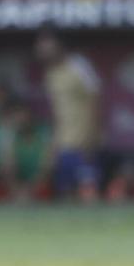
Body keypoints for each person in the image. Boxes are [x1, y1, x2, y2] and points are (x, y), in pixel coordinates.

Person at [34, 31, 101, 202]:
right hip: (63, 145)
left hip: (84, 143)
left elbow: (96, 99)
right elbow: (58, 114)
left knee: (88, 193)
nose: (43, 51)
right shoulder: (50, 75)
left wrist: (92, 137)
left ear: (59, 46)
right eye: (41, 48)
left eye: (47, 47)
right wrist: (53, 147)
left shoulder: (79, 65)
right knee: (66, 195)